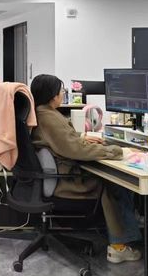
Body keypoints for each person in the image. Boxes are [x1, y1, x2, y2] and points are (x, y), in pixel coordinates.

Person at [29, 74, 141, 263]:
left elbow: (63, 142)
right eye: (61, 91)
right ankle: (119, 246)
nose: (63, 94)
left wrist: (80, 138)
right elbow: (76, 150)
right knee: (115, 182)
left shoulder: (40, 113)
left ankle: (125, 230)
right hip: (67, 182)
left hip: (56, 177)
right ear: (52, 95)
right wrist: (117, 151)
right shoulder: (49, 117)